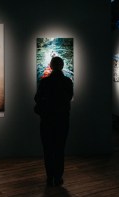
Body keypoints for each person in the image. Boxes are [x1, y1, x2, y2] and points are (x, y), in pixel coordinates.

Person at [34, 56, 73, 187]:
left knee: (48, 149)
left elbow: (37, 98)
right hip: (62, 120)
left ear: (50, 66)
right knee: (60, 149)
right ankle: (58, 177)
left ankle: (49, 177)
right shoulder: (68, 82)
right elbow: (69, 98)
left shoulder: (44, 82)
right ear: (62, 66)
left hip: (47, 120)